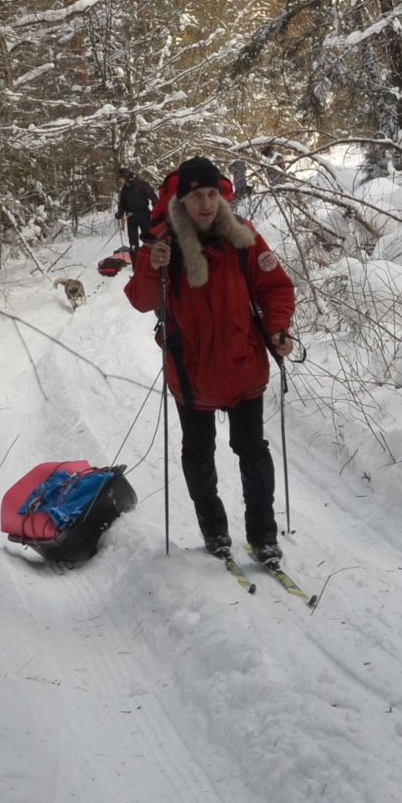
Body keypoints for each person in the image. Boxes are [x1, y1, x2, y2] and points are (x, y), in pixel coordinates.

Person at [108, 156, 296, 566]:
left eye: (212, 193)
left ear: (222, 195)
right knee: (199, 455)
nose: (206, 203)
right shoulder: (163, 244)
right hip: (190, 371)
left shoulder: (243, 237)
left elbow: (275, 288)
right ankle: (214, 532)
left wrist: (278, 328)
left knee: (252, 451)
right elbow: (140, 301)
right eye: (196, 196)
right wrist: (151, 270)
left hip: (243, 363)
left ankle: (263, 536)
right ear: (182, 200)